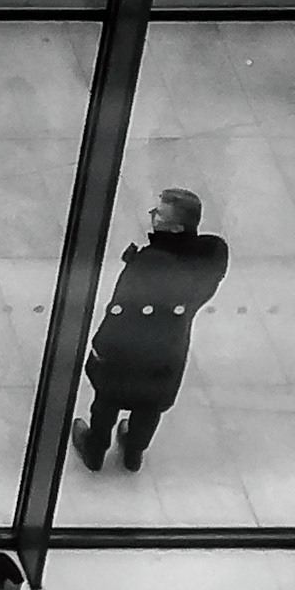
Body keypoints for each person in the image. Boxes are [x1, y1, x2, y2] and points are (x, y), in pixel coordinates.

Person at [74, 189, 227, 473]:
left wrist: (100, 349)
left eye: (159, 214)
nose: (152, 217)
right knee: (150, 405)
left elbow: (120, 311)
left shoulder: (149, 264)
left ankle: (96, 448)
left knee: (107, 399)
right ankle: (134, 451)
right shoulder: (210, 257)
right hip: (169, 348)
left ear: (176, 227)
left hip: (128, 350)